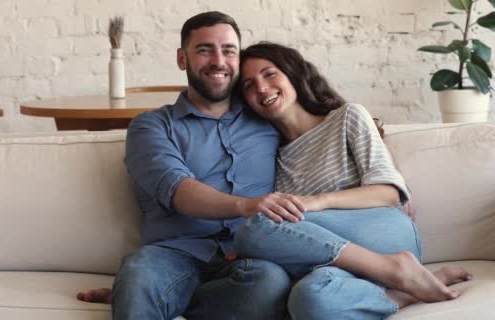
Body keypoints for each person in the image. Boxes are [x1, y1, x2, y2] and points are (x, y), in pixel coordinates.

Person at [80, 12, 309, 320]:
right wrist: (247, 205)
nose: (218, 61)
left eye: (229, 51)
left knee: (270, 285)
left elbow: (314, 124)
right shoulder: (151, 127)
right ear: (181, 58)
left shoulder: (266, 117)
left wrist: (365, 126)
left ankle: (167, 300)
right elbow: (178, 190)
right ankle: (147, 293)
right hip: (174, 255)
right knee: (139, 275)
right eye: (204, 50)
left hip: (250, 256)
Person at [233, 42, 472, 320]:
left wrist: (316, 202)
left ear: (293, 73)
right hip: (338, 263)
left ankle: (397, 268)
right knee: (308, 298)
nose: (261, 88)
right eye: (249, 85)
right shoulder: (270, 156)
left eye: (269, 74)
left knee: (257, 224)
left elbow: (390, 192)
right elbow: (294, 236)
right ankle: (401, 292)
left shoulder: (347, 117)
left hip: (384, 233)